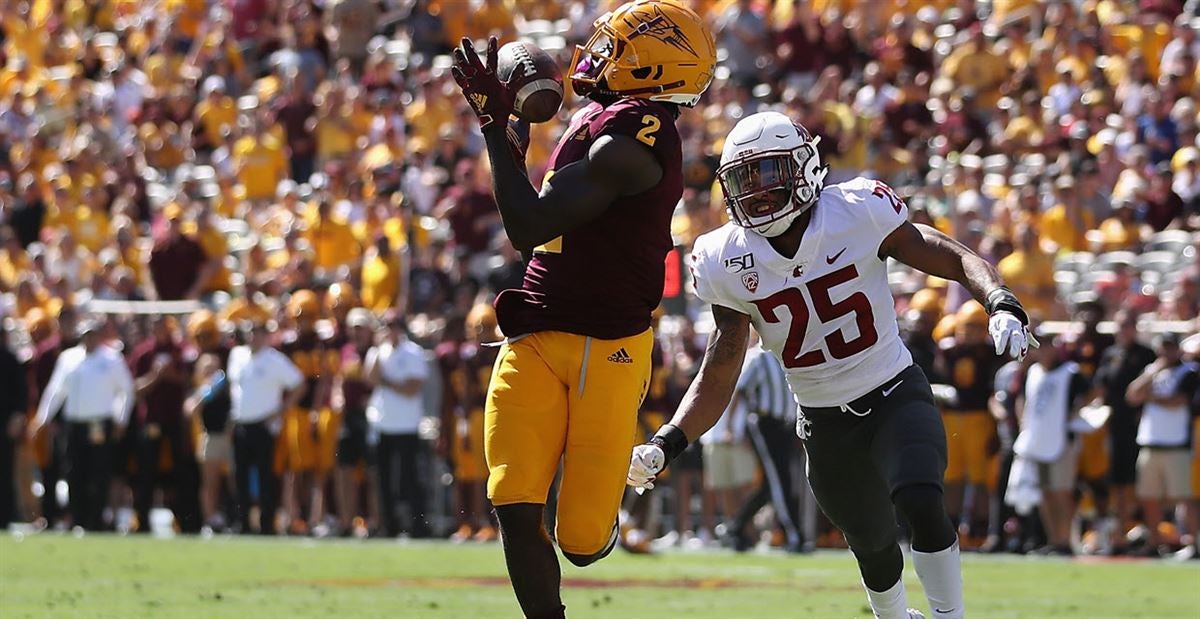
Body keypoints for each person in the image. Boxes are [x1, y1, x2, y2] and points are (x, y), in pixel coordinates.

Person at [629, 111, 1036, 619]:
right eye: (743, 180)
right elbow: (722, 363)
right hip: (822, 419)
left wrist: (999, 299)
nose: (754, 192)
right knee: (870, 542)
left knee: (920, 496)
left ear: (804, 167)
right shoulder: (723, 257)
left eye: (767, 174)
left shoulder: (857, 209)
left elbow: (943, 252)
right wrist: (669, 440)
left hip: (893, 390)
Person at [450, 3, 716, 616]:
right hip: (537, 328)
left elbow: (528, 223)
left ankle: (600, 530)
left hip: (610, 346)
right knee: (513, 502)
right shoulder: (603, 117)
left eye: (618, 44)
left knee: (581, 541)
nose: (599, 51)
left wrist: (495, 127)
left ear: (651, 68)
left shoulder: (636, 138)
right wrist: (511, 138)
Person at [29, 318, 135, 531]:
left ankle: (96, 521)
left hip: (99, 423)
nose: (91, 339)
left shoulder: (111, 359)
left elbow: (126, 390)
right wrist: (43, 418)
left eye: (94, 334)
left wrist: (121, 419)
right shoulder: (69, 358)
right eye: (87, 335)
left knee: (99, 472)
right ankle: (78, 519)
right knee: (74, 471)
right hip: (74, 424)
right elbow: (56, 390)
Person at [725, 337, 807, 553]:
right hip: (765, 422)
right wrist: (731, 426)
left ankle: (735, 528)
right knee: (781, 481)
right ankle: (795, 535)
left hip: (787, 424)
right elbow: (740, 390)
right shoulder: (758, 357)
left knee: (772, 484)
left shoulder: (789, 354)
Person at [1013, 331, 1088, 556]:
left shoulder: (1070, 372)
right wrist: (1023, 424)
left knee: (1062, 491)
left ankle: (1066, 539)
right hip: (1037, 438)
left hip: (1061, 440)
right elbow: (1022, 400)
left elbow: (1090, 393)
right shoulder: (1033, 372)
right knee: (1045, 492)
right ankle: (1054, 539)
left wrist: (1073, 414)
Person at [227, 320, 305, 535]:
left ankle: (266, 524)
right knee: (240, 477)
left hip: (264, 425)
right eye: (251, 332)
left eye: (259, 332)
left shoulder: (274, 360)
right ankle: (243, 522)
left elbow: (299, 384)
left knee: (266, 477)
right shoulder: (237, 355)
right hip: (241, 423)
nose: (254, 336)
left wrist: (280, 411)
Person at [1126, 332, 1199, 557]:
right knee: (1149, 497)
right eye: (1163, 348)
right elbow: (1132, 395)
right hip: (1150, 441)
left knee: (1184, 496)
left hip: (1176, 443)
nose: (1166, 352)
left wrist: (1151, 398)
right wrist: (1153, 373)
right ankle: (1154, 541)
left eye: (1169, 348)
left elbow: (1178, 401)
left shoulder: (1188, 372)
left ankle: (1194, 543)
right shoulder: (1152, 371)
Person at [129, 316, 199, 533]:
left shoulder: (182, 351)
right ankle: (142, 521)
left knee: (181, 473)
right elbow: (135, 389)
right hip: (151, 420)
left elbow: (191, 381)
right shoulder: (143, 353)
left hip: (176, 421)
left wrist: (171, 374)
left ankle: (184, 521)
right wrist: (156, 376)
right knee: (146, 473)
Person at [1093, 310, 1156, 553]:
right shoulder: (1111, 354)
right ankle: (1120, 533)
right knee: (1118, 481)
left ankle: (1147, 533)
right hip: (1115, 427)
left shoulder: (1145, 354)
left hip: (1140, 427)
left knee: (1141, 482)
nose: (1124, 330)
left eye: (1128, 325)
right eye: (1120, 325)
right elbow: (1102, 387)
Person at [365, 311, 431, 538]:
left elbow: (412, 388)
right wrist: (376, 352)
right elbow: (370, 378)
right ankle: (389, 525)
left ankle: (417, 525)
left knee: (409, 478)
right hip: (383, 423)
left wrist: (388, 382)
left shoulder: (413, 352)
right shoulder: (378, 352)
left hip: (406, 425)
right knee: (383, 479)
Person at [184, 353, 233, 533]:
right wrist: (205, 392)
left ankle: (234, 517)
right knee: (210, 483)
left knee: (232, 481)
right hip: (210, 437)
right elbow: (189, 410)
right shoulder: (200, 390)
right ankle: (210, 519)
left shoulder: (227, 386)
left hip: (229, 437)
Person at [0, 326, 28, 527]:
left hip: (5, 424)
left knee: (4, 472)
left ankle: (3, 517)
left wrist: (17, 418)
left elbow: (22, 394)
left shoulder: (10, 359)